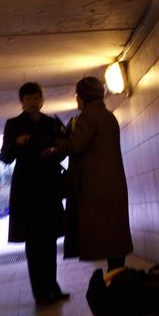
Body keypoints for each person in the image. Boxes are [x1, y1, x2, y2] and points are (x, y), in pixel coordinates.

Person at [46, 76, 132, 271]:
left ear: (84, 96)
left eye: (78, 95)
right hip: (112, 183)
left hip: (95, 185)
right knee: (114, 233)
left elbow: (76, 146)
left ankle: (114, 280)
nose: (76, 99)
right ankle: (116, 274)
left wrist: (58, 144)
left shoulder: (88, 116)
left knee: (103, 232)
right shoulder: (108, 116)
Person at [0, 82, 69, 305]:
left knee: (49, 240)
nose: (31, 101)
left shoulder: (52, 123)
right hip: (27, 189)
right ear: (22, 102)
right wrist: (17, 143)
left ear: (41, 100)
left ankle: (52, 286)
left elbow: (63, 151)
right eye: (27, 98)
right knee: (34, 242)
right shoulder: (13, 125)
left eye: (35, 97)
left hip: (49, 186)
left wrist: (56, 149)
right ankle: (40, 292)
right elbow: (5, 157)